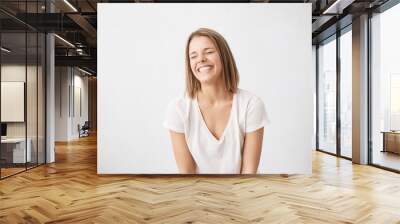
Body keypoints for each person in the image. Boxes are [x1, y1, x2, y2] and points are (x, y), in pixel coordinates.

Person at [164, 28, 268, 174]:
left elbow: (249, 172)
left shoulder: (251, 104)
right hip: (196, 194)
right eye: (193, 56)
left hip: (239, 193)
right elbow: (186, 173)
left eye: (209, 52)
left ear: (224, 57)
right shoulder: (177, 108)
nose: (201, 59)